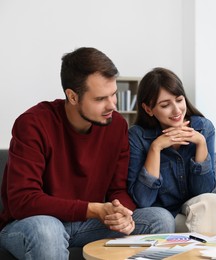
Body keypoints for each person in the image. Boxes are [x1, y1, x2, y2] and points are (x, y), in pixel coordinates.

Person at [0, 47, 174, 259]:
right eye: (100, 99)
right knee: (48, 230)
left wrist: (122, 212)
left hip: (86, 224)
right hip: (32, 224)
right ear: (72, 96)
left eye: (113, 94)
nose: (112, 105)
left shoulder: (117, 126)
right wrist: (93, 209)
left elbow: (117, 189)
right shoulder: (33, 124)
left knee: (159, 218)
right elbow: (23, 201)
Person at [127, 67, 216, 234]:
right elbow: (143, 200)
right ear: (148, 109)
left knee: (211, 200)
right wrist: (155, 148)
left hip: (198, 207)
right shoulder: (137, 136)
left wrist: (201, 143)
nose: (177, 110)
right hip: (164, 214)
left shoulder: (203, 128)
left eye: (179, 100)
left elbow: (203, 191)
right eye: (165, 105)